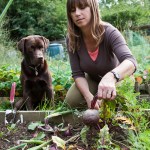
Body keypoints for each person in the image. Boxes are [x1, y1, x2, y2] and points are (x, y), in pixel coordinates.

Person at [65, 0, 137, 110]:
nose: (77, 13)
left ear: (92, 8)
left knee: (107, 104)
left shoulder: (109, 32)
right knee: (72, 101)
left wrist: (111, 76)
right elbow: (77, 73)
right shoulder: (72, 38)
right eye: (72, 10)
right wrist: (88, 96)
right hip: (93, 78)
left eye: (82, 7)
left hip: (119, 78)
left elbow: (131, 62)